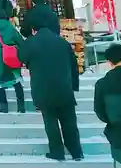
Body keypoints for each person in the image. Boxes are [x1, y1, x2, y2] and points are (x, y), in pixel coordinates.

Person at [19, 25, 83, 162]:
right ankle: (76, 151)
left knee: (50, 122)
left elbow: (21, 58)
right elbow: (74, 65)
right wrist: (74, 86)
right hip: (64, 87)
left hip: (43, 88)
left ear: (33, 29)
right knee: (70, 121)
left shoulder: (31, 42)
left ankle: (57, 152)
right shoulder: (62, 42)